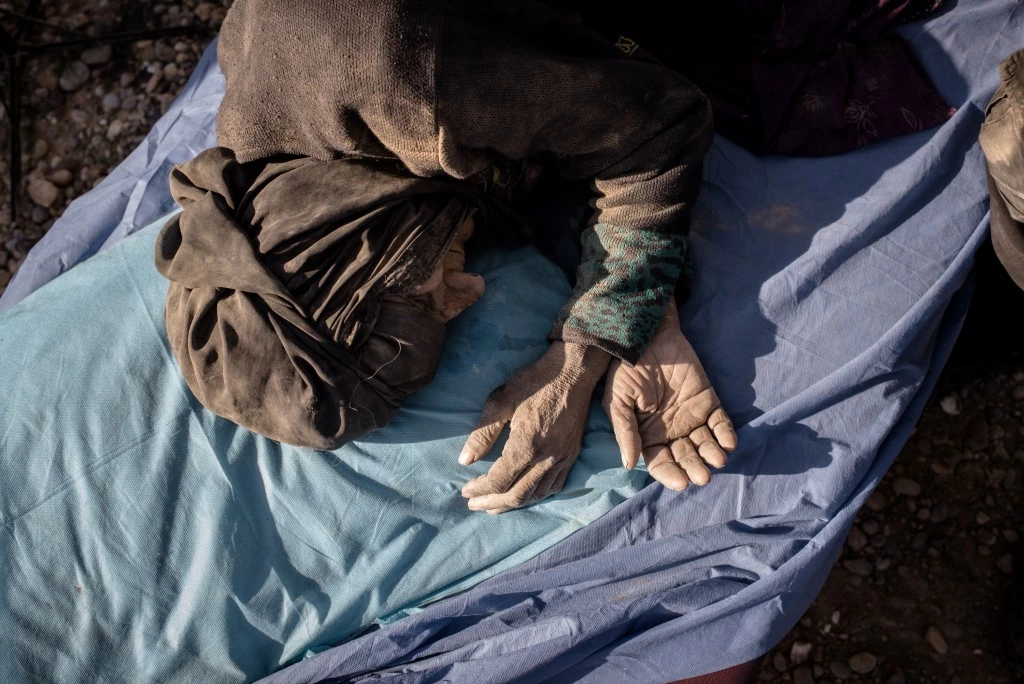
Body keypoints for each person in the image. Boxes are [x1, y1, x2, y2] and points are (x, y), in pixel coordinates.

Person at [155, 0, 738, 514]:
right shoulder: (289, 186)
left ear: (356, 249)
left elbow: (660, 123)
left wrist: (588, 349)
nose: (473, 292)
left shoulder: (407, 84)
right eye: (442, 308)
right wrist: (649, 311)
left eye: (419, 296)